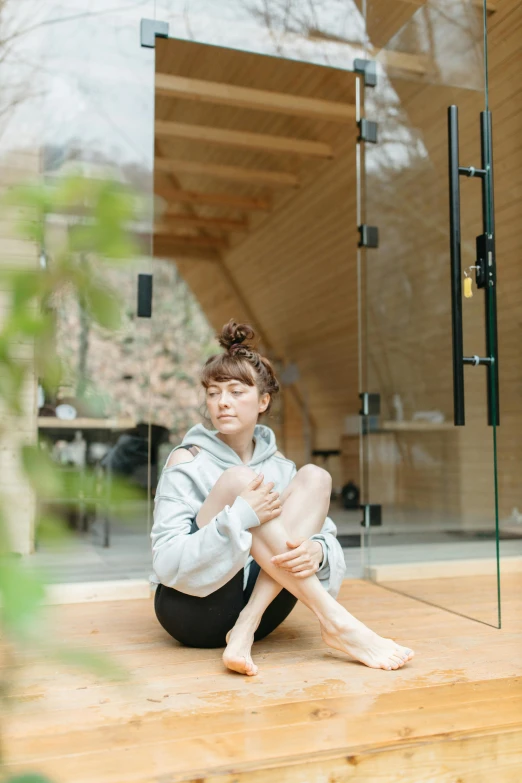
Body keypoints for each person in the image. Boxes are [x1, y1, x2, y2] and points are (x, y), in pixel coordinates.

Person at [151, 320, 415, 676]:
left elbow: (326, 536)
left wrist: (317, 551)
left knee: (316, 477)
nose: (222, 403)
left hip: (263, 615)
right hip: (194, 608)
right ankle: (336, 622)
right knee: (240, 482)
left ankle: (246, 624)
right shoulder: (188, 459)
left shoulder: (280, 466)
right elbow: (166, 561)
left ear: (263, 401)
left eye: (235, 391)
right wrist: (240, 516)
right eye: (213, 393)